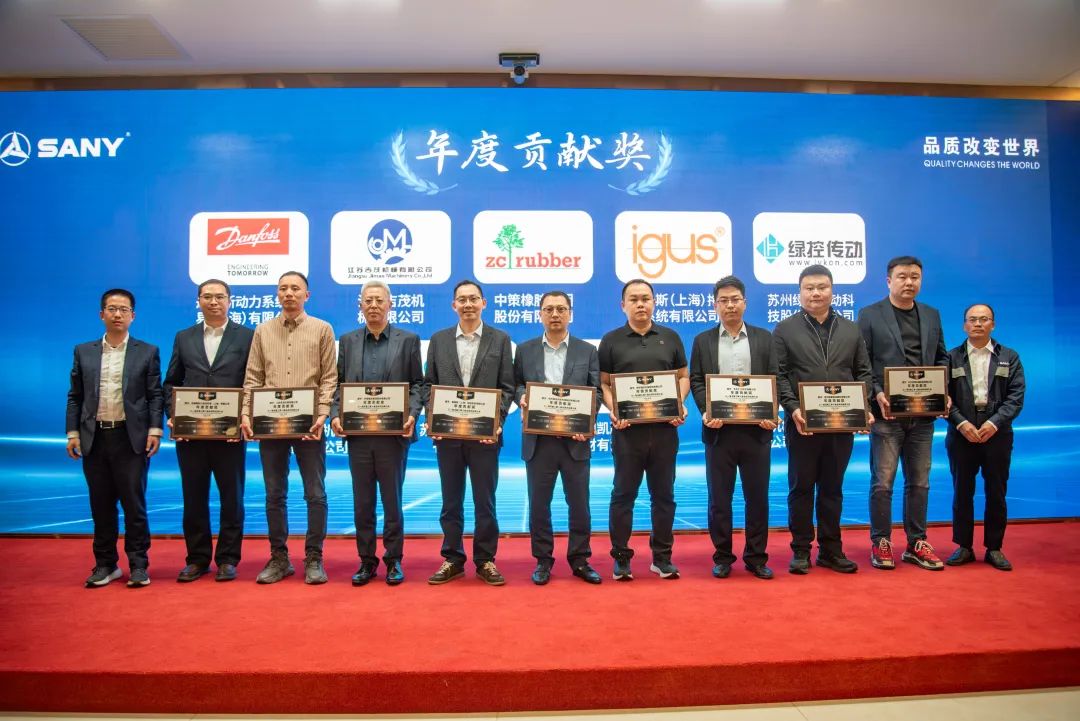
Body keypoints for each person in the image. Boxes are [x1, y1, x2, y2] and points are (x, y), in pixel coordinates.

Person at [774, 264, 873, 574]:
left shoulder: (850, 329)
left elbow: (864, 372)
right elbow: (779, 376)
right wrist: (793, 409)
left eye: (822, 287)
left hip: (841, 425)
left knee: (832, 489)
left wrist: (862, 406)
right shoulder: (785, 329)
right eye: (809, 288)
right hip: (802, 425)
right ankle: (801, 550)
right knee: (801, 488)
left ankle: (831, 550)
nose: (815, 293)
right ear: (799, 292)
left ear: (832, 290)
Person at [241, 271, 337, 585]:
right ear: (277, 294)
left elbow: (329, 378)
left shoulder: (322, 329)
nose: (289, 293)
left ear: (306, 295)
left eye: (295, 288)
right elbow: (253, 377)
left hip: (310, 425)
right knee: (274, 494)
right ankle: (279, 558)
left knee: (315, 493)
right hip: (270, 425)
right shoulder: (263, 331)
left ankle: (314, 558)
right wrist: (246, 413)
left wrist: (322, 414)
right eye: (283, 288)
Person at [66, 288, 163, 588]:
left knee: (135, 505)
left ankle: (138, 565)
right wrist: (72, 432)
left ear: (133, 315)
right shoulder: (84, 351)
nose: (117, 314)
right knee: (101, 505)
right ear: (102, 314)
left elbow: (155, 395)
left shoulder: (147, 351)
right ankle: (105, 564)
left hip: (130, 438)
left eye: (123, 309)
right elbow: (75, 396)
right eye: (112, 309)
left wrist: (155, 430)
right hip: (94, 438)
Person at [857, 256, 949, 571]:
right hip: (887, 416)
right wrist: (876, 393)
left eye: (914, 276)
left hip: (923, 416)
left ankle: (916, 542)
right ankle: (881, 541)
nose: (909, 282)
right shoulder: (870, 314)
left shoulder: (932, 315)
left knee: (920, 482)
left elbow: (941, 358)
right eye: (902, 276)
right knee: (883, 482)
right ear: (889, 280)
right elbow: (863, 363)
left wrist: (943, 390)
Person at [330, 281, 423, 586]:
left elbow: (418, 385)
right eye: (367, 300)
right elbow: (338, 385)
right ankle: (366, 561)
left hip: (393, 438)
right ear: (360, 305)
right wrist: (335, 415)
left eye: (379, 300)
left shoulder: (408, 341)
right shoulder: (348, 341)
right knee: (363, 502)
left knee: (392, 502)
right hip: (359, 437)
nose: (373, 305)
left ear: (390, 304)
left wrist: (412, 415)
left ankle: (394, 560)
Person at [423, 280, 515, 586]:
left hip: (485, 437)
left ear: (483, 303)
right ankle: (453, 558)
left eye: (473, 299)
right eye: (462, 300)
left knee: (484, 502)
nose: (468, 304)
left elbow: (507, 388)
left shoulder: (500, 339)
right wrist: (433, 419)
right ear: (454, 305)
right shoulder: (439, 340)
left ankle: (485, 559)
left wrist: (497, 421)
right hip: (448, 437)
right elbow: (429, 385)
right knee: (450, 501)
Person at [599, 278, 690, 581]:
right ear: (622, 305)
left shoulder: (671, 337)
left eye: (646, 298)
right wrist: (614, 409)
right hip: (627, 432)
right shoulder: (611, 340)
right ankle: (621, 558)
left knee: (664, 496)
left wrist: (679, 403)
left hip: (664, 430)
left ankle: (662, 558)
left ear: (654, 302)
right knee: (623, 495)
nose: (640, 304)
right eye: (634, 299)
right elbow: (604, 383)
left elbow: (683, 376)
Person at [164, 279, 254, 583]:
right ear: (199, 301)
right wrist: (173, 415)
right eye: (207, 297)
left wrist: (245, 415)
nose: (213, 302)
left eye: (219, 296)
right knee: (193, 498)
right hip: (191, 435)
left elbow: (254, 381)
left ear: (230, 301)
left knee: (233, 498)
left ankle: (228, 559)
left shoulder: (247, 336)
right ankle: (197, 559)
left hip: (230, 434)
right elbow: (171, 382)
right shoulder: (184, 337)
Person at [689, 275, 778, 580]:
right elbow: (697, 380)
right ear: (715, 305)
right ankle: (723, 556)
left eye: (735, 299)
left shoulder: (764, 338)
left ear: (745, 303)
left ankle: (756, 557)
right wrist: (706, 411)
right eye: (723, 300)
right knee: (719, 499)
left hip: (757, 431)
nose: (730, 305)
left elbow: (775, 378)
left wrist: (771, 412)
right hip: (719, 432)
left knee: (757, 498)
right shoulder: (703, 341)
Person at [513, 290, 603, 585]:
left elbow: (596, 392)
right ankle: (543, 560)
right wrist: (522, 397)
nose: (555, 314)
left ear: (570, 314)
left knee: (579, 505)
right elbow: (515, 384)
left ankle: (580, 559)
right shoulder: (524, 350)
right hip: (539, 441)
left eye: (561, 309)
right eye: (549, 309)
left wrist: (585, 419)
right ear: (540, 314)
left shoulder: (587, 351)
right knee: (539, 505)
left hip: (575, 441)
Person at [944, 304, 1025, 571]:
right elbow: (942, 397)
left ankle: (994, 548)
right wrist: (961, 423)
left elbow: (1015, 397)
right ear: (964, 325)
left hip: (997, 435)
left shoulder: (1009, 357)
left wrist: (994, 423)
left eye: (984, 319)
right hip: (961, 434)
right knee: (962, 492)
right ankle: (963, 546)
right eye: (972, 319)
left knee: (997, 492)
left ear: (993, 324)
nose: (978, 324)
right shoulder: (950, 358)